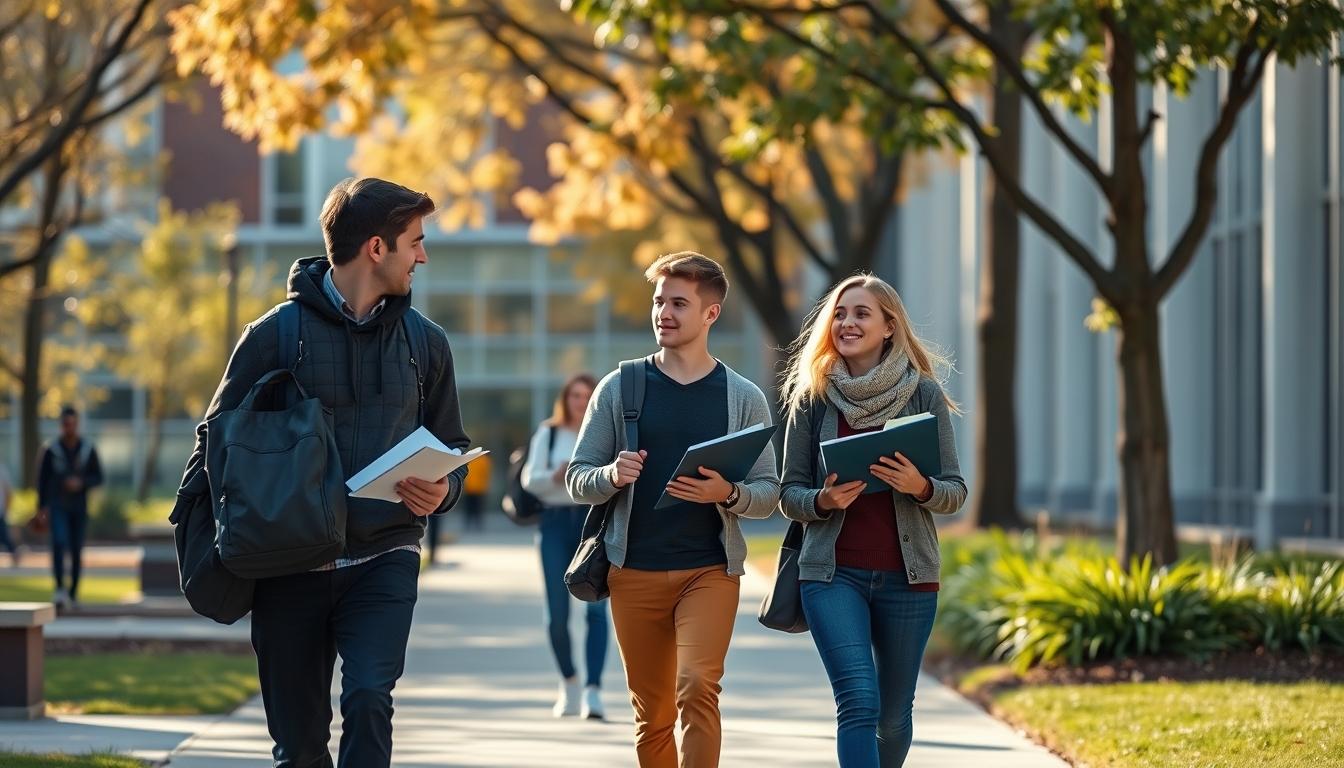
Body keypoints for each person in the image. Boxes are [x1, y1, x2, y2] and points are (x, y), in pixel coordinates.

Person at [178, 177, 470, 768]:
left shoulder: (427, 344)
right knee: (300, 743)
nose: (423, 255)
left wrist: (443, 491)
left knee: (368, 697)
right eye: (414, 241)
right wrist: (213, 540)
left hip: (383, 557)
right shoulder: (271, 337)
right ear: (376, 248)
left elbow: (453, 445)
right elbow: (217, 443)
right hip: (287, 565)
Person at [566, 251, 780, 768]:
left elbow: (768, 490)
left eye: (678, 303)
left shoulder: (742, 397)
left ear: (710, 314)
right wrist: (612, 476)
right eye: (659, 301)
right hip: (632, 572)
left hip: (708, 570)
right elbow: (579, 478)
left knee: (698, 686)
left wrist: (727, 494)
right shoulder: (621, 388)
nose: (663, 311)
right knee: (654, 714)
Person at [777, 274, 966, 767]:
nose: (847, 322)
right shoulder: (813, 396)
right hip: (832, 574)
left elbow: (955, 492)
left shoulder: (923, 394)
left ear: (889, 326)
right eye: (840, 313)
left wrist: (919, 487)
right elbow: (788, 494)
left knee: (893, 714)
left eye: (861, 313)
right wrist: (823, 500)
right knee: (859, 701)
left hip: (909, 577)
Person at [521, 373, 608, 720]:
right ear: (565, 398)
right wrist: (554, 477)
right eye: (575, 395)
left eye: (588, 395)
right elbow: (530, 480)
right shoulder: (550, 432)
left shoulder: (605, 432)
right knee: (557, 615)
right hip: (555, 523)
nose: (582, 401)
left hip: (593, 523)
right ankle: (570, 682)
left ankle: (594, 691)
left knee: (597, 611)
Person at [37, 406, 103, 608]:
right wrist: (41, 507)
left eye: (73, 424)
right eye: (66, 424)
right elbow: (42, 480)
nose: (69, 428)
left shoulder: (87, 449)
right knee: (58, 542)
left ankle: (73, 592)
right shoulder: (51, 450)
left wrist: (81, 483)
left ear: (77, 424)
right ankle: (59, 589)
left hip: (79, 507)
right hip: (58, 505)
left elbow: (98, 477)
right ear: (61, 425)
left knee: (76, 549)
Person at [459, 450, 492, 532]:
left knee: (468, 508)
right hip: (479, 489)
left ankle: (468, 525)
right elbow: (486, 475)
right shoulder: (485, 461)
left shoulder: (470, 459)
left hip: (469, 488)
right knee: (478, 508)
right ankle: (478, 525)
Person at [0, 457, 17, 567]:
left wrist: (6, 509)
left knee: (4, 536)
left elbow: (8, 491)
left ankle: (15, 554)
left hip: (0, 510)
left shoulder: (2, 469)